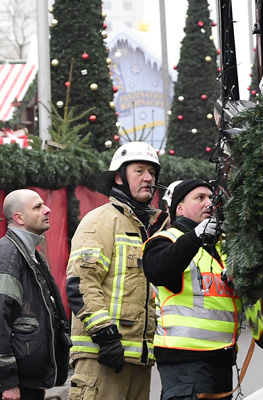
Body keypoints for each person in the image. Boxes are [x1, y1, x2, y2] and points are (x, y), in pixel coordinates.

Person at [66, 142, 167, 400]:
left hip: (138, 361)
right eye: (139, 171)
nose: (148, 178)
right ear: (119, 178)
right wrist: (105, 335)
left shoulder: (150, 228)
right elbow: (81, 283)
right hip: (101, 357)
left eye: (152, 173)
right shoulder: (100, 221)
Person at [143, 179, 242, 400]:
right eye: (200, 198)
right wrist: (195, 236)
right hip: (184, 360)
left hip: (222, 357)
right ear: (179, 208)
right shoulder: (165, 240)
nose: (209, 203)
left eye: (211, 198)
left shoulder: (221, 246)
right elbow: (159, 270)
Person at [0, 190, 70, 400]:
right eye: (38, 207)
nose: (48, 210)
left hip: (29, 382)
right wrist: (8, 382)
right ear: (19, 218)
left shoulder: (30, 254)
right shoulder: (9, 257)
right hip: (16, 386)